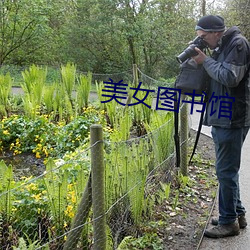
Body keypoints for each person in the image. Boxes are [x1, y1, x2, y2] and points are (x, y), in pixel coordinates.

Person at [192, 15, 250, 238]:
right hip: (221, 115)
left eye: (204, 37)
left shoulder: (238, 44)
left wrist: (205, 60)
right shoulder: (221, 46)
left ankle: (228, 223)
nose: (203, 41)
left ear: (216, 32)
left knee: (225, 171)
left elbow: (230, 77)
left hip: (232, 117)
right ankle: (237, 214)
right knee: (227, 170)